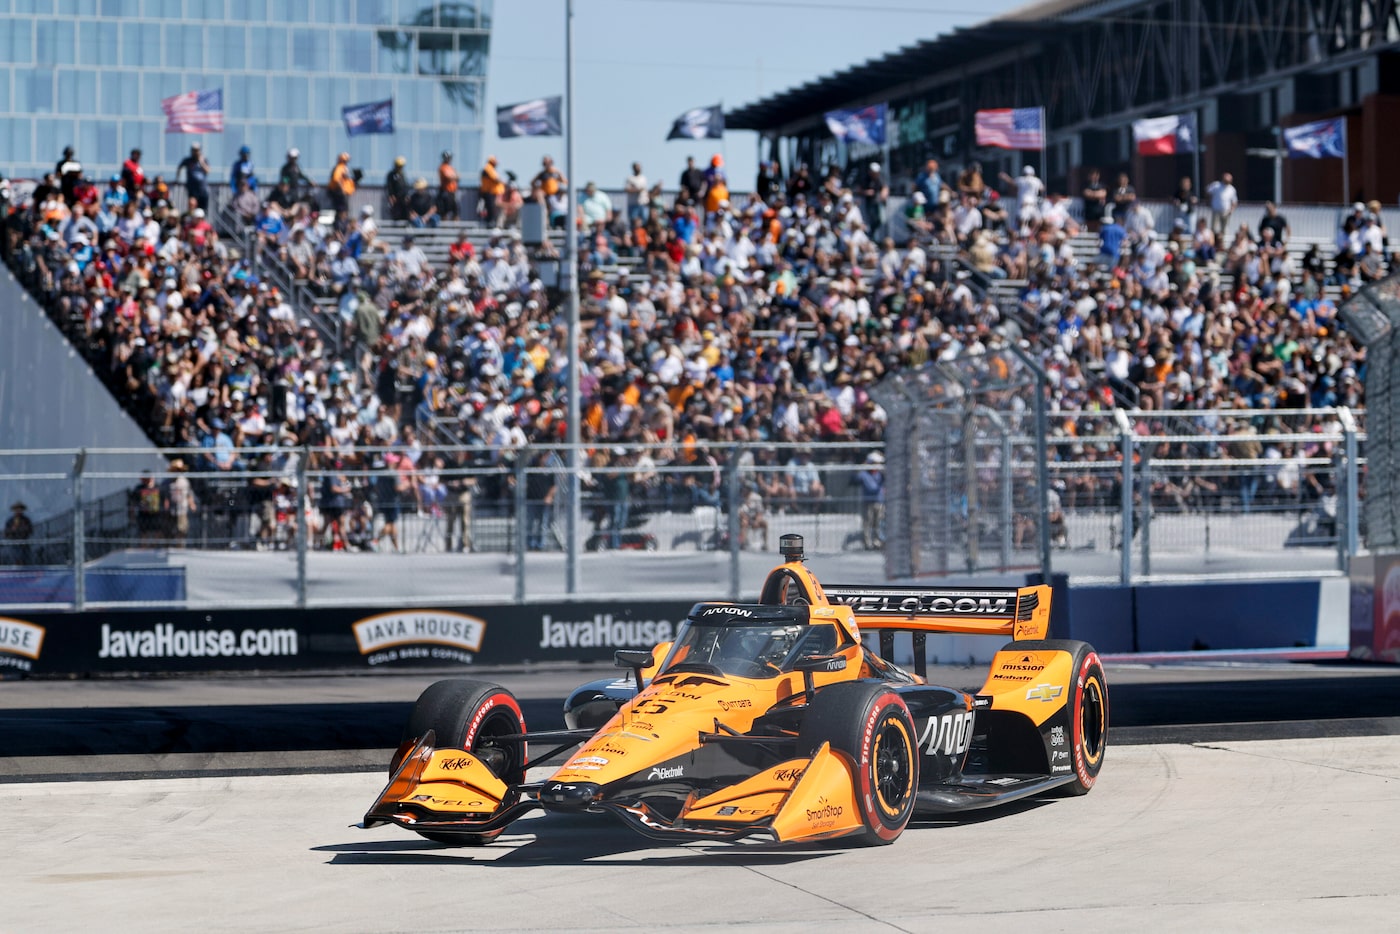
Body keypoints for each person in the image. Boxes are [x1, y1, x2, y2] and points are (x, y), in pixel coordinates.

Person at [855, 452, 885, 550]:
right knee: (867, 523)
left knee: (878, 523)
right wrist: (863, 467)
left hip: (879, 502)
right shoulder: (864, 474)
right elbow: (855, 478)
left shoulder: (880, 474)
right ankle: (867, 543)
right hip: (868, 502)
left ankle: (877, 541)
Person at [166, 459, 198, 547]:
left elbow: (189, 494)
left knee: (182, 530)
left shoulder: (184, 481)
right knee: (169, 530)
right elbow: (164, 495)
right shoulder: (167, 482)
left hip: (182, 509)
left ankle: (180, 546)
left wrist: (192, 504)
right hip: (171, 510)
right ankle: (169, 547)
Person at [175, 143, 211, 212]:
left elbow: (207, 171)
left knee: (203, 210)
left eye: (197, 150)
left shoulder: (204, 160)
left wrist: (201, 162)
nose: (195, 152)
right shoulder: (188, 160)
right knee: (192, 208)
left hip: (203, 190)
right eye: (194, 150)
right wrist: (177, 179)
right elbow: (179, 167)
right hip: (192, 190)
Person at [1206, 171, 1238, 238]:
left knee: (1224, 229)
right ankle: (1213, 242)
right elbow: (1208, 192)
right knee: (1214, 228)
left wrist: (1231, 210)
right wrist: (1208, 202)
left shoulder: (1232, 189)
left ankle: (1223, 244)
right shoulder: (1216, 185)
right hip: (1216, 210)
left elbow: (1234, 201)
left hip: (1226, 212)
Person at [3, 501, 34, 566]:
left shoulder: (26, 520)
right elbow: (6, 532)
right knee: (15, 560)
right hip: (14, 544)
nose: (18, 510)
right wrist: (12, 530)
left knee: (25, 560)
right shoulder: (10, 520)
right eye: (16, 509)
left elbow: (30, 530)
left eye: (20, 509)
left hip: (24, 543)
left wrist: (21, 529)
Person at [478, 155, 504, 227]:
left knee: (492, 208)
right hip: (489, 192)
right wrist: (502, 182)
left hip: (491, 192)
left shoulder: (490, 168)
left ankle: (490, 222)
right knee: (490, 208)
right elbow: (496, 179)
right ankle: (489, 223)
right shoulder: (488, 168)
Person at [385, 156, 409, 221]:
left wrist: (406, 195)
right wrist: (391, 195)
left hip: (403, 198)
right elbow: (390, 186)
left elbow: (405, 186)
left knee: (405, 213)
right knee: (397, 214)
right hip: (395, 198)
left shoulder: (402, 175)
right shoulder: (391, 175)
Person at [437, 150, 459, 221]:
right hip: (445, 192)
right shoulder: (442, 167)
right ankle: (445, 228)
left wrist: (454, 177)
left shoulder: (451, 168)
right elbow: (449, 177)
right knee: (444, 212)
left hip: (452, 192)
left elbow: (458, 177)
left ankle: (455, 228)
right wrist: (454, 177)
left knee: (456, 211)